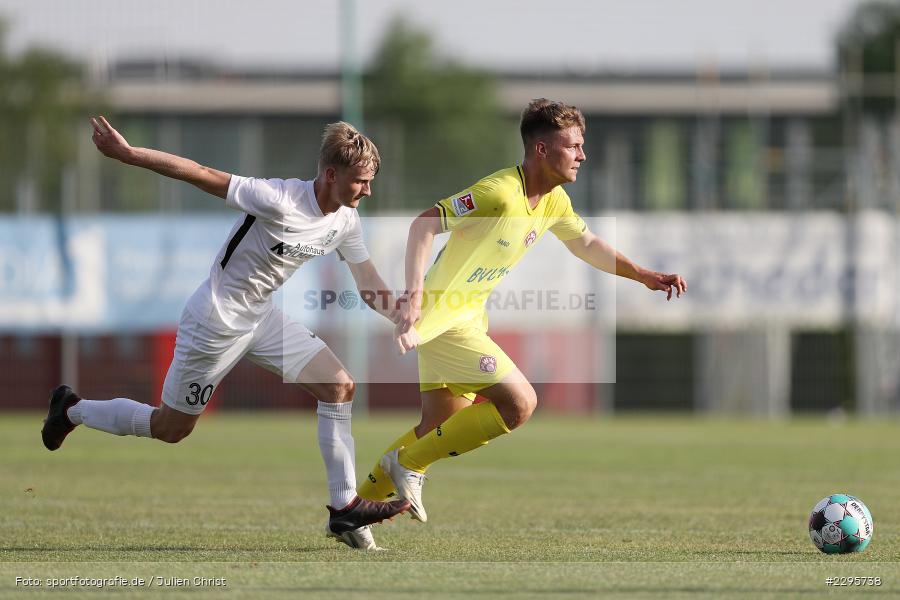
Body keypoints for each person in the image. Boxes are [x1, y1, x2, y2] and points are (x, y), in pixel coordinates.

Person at [41, 116, 416, 550]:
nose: (367, 191)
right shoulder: (278, 198)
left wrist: (402, 316)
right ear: (331, 174)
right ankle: (72, 410)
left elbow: (368, 281)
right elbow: (201, 173)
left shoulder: (346, 219)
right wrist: (129, 155)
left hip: (260, 318)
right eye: (361, 181)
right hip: (214, 322)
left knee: (339, 386)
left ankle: (344, 512)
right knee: (170, 428)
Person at [358, 99, 687, 522]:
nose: (582, 155)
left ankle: (353, 512)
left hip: (468, 316)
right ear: (542, 151)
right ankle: (408, 465)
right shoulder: (499, 193)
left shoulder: (554, 201)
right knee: (519, 403)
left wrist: (642, 275)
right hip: (443, 319)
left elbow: (585, 244)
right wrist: (415, 295)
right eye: (573, 146)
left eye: (582, 145)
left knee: (437, 426)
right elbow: (424, 224)